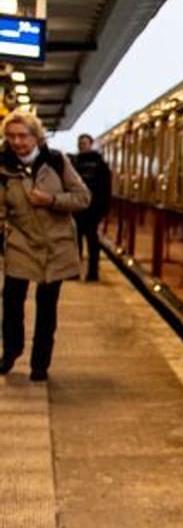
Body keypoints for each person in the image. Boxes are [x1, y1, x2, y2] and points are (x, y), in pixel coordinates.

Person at [0, 110, 92, 381]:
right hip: (21, 243)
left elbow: (83, 197)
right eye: (11, 136)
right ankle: (11, 350)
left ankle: (40, 363)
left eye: (22, 136)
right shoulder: (3, 168)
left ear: (36, 136)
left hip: (56, 246)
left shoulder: (56, 161)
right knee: (12, 302)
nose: (17, 142)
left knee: (47, 306)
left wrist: (52, 200)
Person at [72, 133, 112, 281]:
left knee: (92, 242)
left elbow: (106, 188)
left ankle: (93, 272)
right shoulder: (73, 163)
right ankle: (75, 271)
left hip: (92, 210)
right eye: (80, 143)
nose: (82, 145)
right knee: (76, 242)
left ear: (90, 144)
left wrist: (103, 209)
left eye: (85, 143)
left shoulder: (100, 164)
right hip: (76, 209)